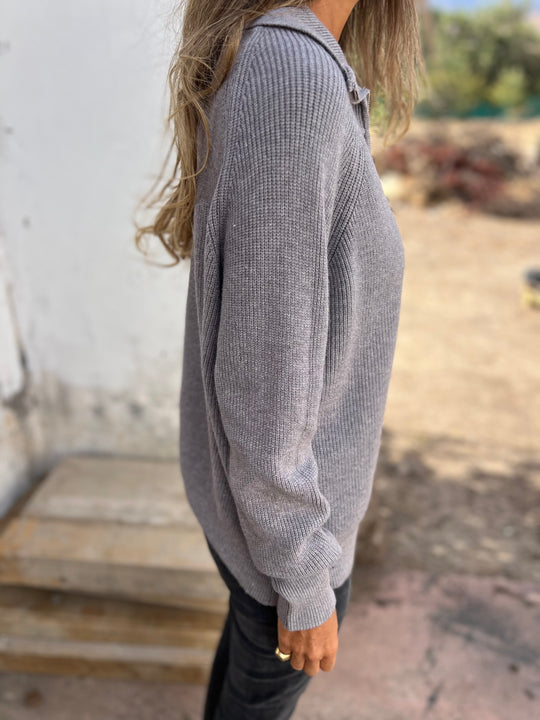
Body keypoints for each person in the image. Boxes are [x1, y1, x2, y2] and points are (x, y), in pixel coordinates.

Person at [134, 1, 426, 717]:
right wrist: (303, 577)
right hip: (288, 543)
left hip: (272, 531)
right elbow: (265, 379)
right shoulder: (293, 76)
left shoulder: (291, 64)